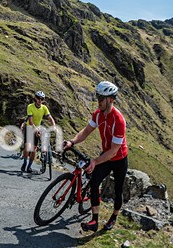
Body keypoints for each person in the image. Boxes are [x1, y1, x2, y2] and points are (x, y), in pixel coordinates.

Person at [62, 81, 127, 231]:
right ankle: (94, 221)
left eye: (101, 99)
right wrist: (72, 142)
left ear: (111, 99)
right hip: (106, 156)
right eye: (97, 98)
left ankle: (114, 216)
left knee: (118, 190)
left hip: (119, 158)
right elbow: (85, 132)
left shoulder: (119, 120)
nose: (98, 102)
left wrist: (95, 161)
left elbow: (113, 152)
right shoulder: (98, 114)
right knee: (94, 181)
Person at [22, 91, 56, 173]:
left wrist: (54, 126)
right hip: (30, 127)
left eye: (42, 99)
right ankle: (25, 162)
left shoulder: (44, 108)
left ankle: (29, 167)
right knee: (27, 147)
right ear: (35, 98)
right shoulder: (30, 106)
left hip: (37, 128)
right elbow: (30, 121)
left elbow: (50, 118)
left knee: (33, 149)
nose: (40, 100)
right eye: (38, 98)